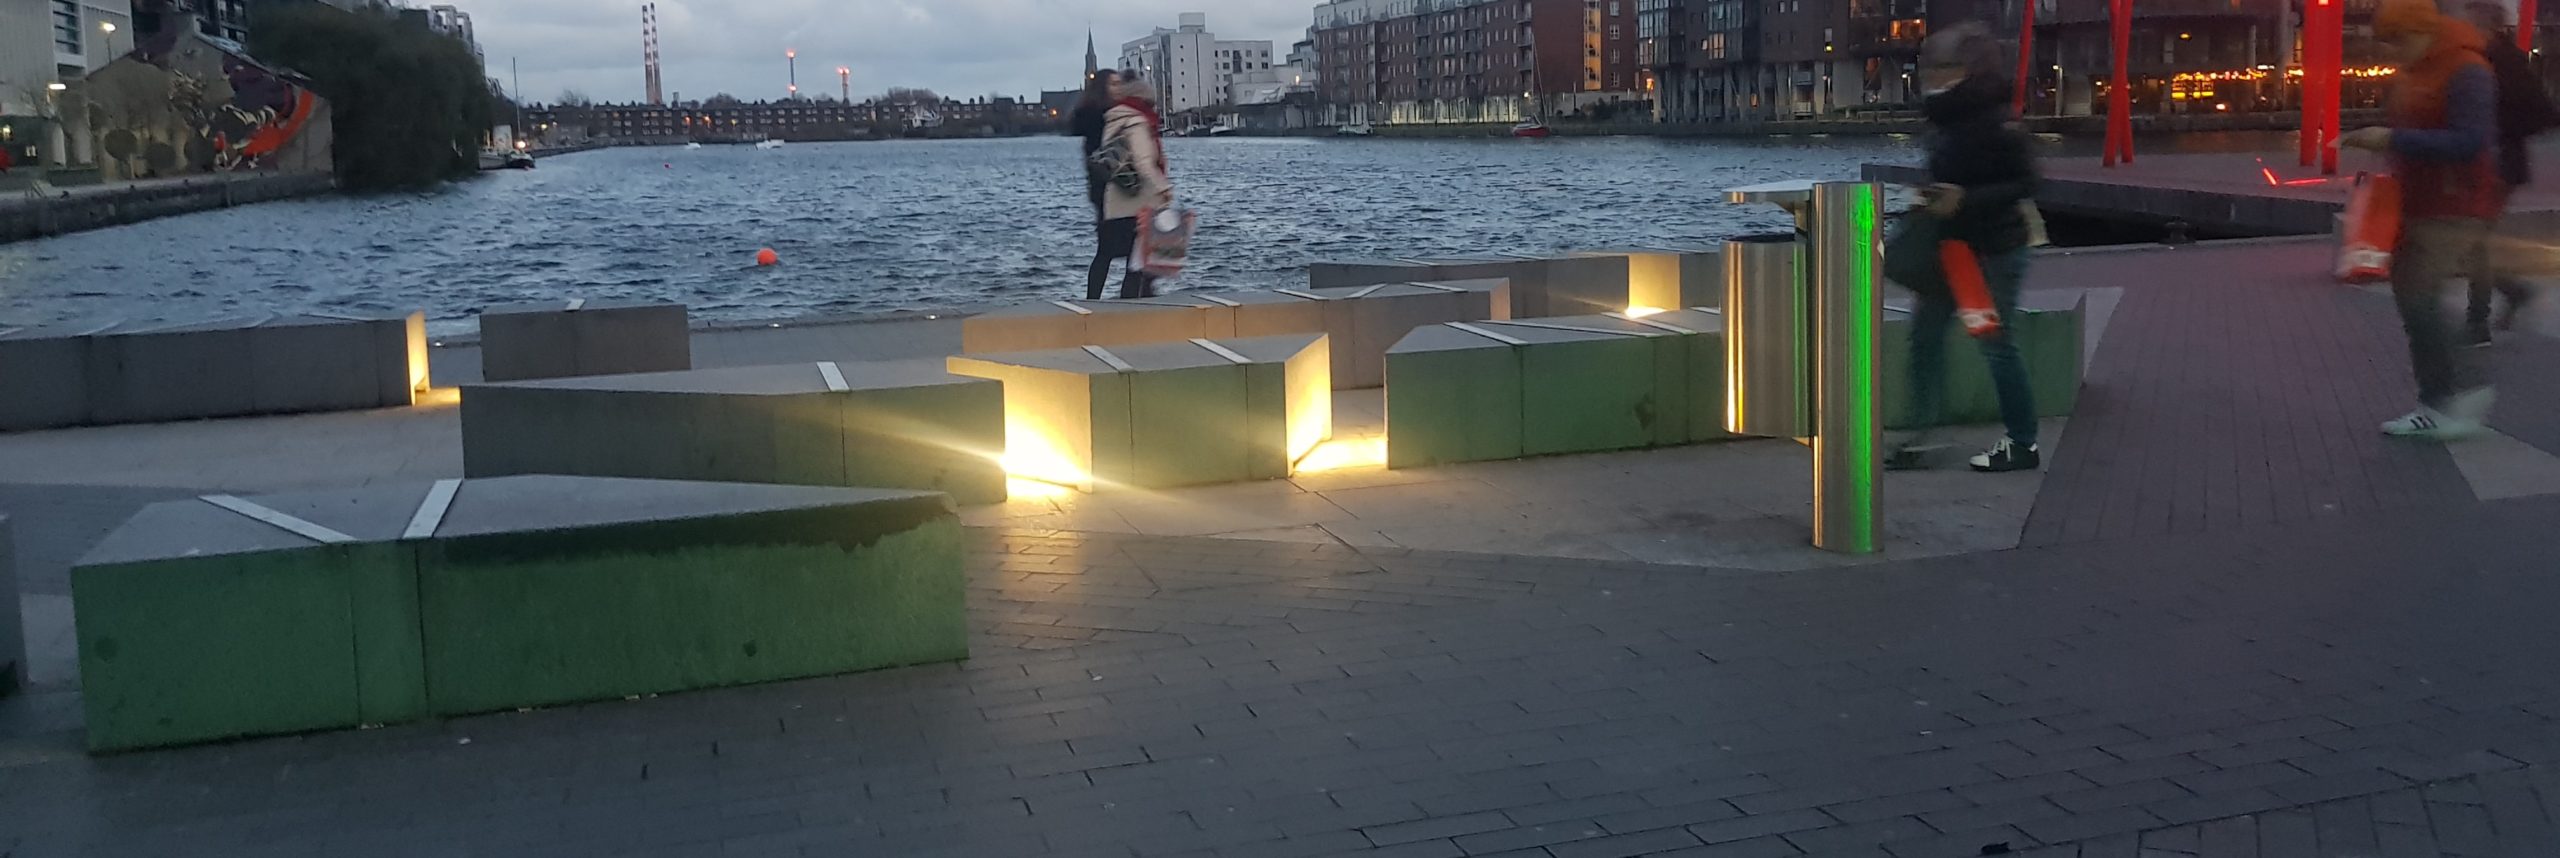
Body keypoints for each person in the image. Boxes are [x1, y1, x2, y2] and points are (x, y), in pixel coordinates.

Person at [2341, 0, 2501, 438]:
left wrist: (2392, 139)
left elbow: (2470, 142)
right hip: (2423, 200)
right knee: (2414, 294)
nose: (2394, 52)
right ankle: (2447, 395)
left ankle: (2452, 394)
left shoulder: (2466, 71)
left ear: (2421, 32)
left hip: (2454, 203)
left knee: (2419, 295)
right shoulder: (2421, 70)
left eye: (2398, 42)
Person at [1894, 22, 2043, 473]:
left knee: (1995, 343)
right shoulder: (1948, 116)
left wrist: (1964, 199)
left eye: (1940, 65)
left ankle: (2022, 442)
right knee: (1925, 337)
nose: (1930, 75)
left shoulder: (1997, 121)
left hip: (1989, 252)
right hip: (1952, 250)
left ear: (1968, 69)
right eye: (1928, 65)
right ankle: (1921, 434)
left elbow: (2027, 182)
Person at [2461, 1, 2556, 345]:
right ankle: (2507, 294)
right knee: (2472, 241)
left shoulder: (2500, 60)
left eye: (2471, 19)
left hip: (2498, 163)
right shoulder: (2487, 57)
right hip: (2491, 161)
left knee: (2472, 241)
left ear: (2488, 22)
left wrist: (2499, 132)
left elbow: (2540, 111)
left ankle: (2480, 320)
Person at [1090, 76, 1172, 300]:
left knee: (1127, 261)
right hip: (1140, 203)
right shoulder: (1137, 123)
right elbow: (1144, 162)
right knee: (1141, 265)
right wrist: (1164, 188)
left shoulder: (1115, 120)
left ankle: (1110, 303)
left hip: (1116, 202)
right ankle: (1134, 307)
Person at [1070, 69, 1118, 218]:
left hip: (1105, 181)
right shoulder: (1103, 115)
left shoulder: (1087, 112)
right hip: (1110, 181)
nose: (1119, 88)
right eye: (1113, 84)